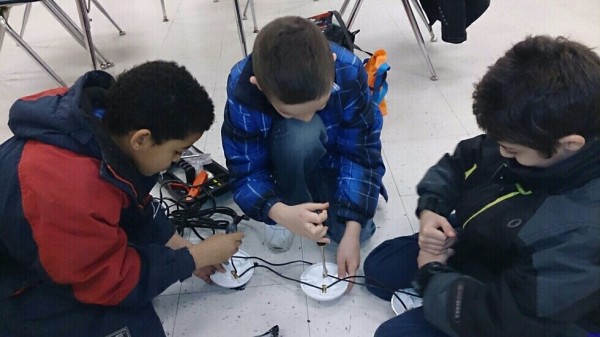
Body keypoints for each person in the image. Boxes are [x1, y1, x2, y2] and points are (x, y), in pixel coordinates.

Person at [364, 35, 600, 336]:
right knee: (378, 270)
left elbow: (502, 317)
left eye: (513, 151)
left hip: (528, 299)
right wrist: (431, 210)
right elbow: (461, 160)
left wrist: (431, 274)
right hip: (491, 235)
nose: (502, 153)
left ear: (568, 144)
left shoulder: (582, 235)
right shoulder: (529, 126)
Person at [0, 61, 244, 337]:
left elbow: (127, 191)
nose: (177, 161)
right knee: (134, 326)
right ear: (141, 140)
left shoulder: (99, 122)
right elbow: (107, 282)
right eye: (177, 152)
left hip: (46, 238)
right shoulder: (71, 191)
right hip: (15, 282)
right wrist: (193, 257)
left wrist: (176, 243)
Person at [221, 16, 387, 283]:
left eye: (319, 107)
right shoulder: (242, 88)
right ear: (259, 85)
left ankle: (317, 196)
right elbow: (244, 171)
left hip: (330, 157)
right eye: (290, 112)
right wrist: (279, 212)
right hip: (280, 163)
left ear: (331, 66)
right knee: (301, 133)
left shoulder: (350, 71)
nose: (309, 117)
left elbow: (361, 152)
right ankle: (287, 201)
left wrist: (353, 228)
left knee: (360, 231)